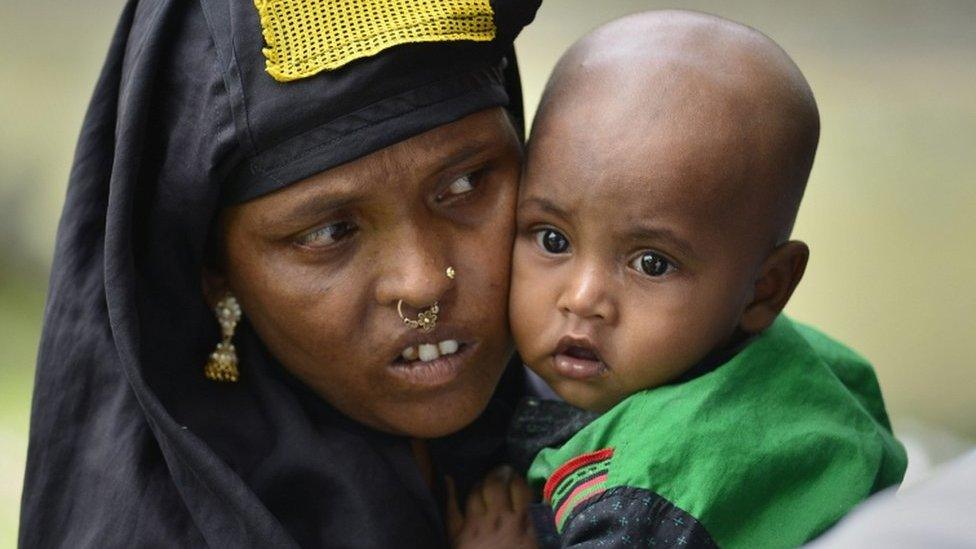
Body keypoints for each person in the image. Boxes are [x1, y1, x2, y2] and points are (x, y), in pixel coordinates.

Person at [19, 1, 542, 547]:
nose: (424, 282)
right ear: (213, 269)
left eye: (464, 184)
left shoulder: (598, 418)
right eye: (328, 233)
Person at [452, 10, 908, 548]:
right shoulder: (809, 365)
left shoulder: (648, 495)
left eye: (652, 263)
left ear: (767, 288)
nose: (582, 298)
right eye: (553, 240)